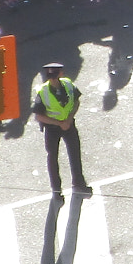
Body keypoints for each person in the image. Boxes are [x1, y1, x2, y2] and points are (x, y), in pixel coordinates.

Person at [32, 62, 88, 197]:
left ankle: (79, 184)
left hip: (68, 125)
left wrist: (68, 120)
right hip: (52, 129)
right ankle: (56, 190)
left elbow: (76, 102)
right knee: (53, 158)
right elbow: (39, 116)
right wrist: (60, 123)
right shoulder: (43, 92)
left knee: (74, 154)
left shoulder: (68, 85)